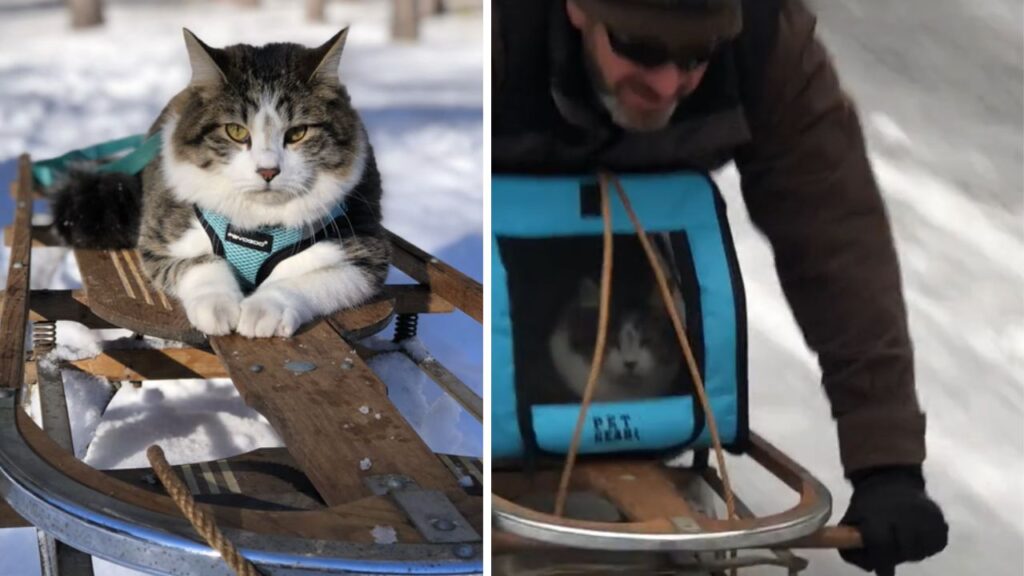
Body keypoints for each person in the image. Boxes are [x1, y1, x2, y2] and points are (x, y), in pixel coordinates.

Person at [491, 0, 949, 573]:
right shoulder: (500, 29)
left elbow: (835, 236)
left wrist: (888, 464)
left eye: (696, 56)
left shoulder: (764, 40)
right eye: (642, 48)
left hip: (635, 365)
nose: (666, 84)